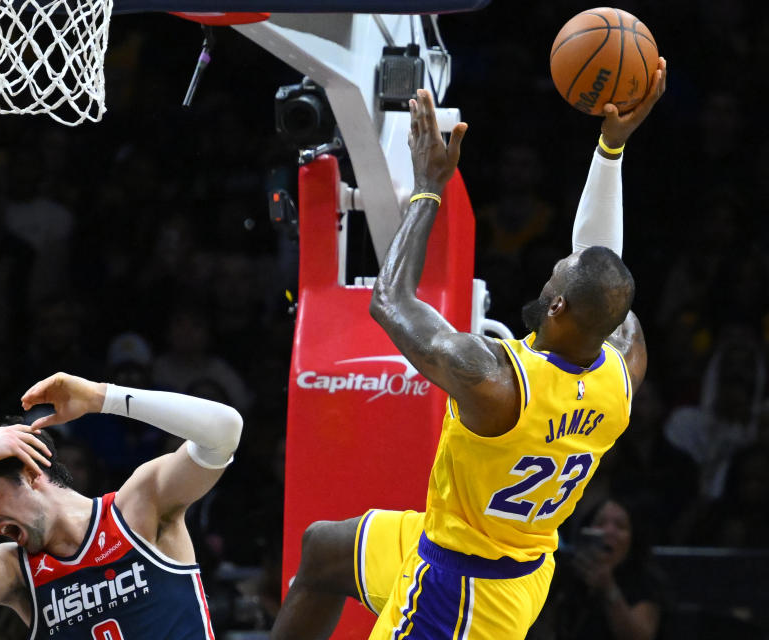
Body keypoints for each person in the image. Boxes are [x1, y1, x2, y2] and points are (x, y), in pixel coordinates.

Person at [271, 58, 666, 640]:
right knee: (325, 551)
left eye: (554, 274)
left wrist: (427, 188)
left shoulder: (496, 380)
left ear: (556, 307)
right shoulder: (623, 370)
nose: (551, 271)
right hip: (495, 553)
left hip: (458, 595)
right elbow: (599, 262)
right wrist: (610, 149)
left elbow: (388, 302)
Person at [0, 371, 243, 639]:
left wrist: (102, 397)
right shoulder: (16, 572)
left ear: (32, 471)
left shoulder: (139, 506)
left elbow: (225, 431)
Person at [529, 498, 663, 640]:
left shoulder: (646, 581)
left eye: (620, 526)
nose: (608, 531)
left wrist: (608, 588)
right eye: (600, 524)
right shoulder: (566, 574)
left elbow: (640, 636)